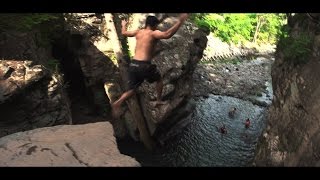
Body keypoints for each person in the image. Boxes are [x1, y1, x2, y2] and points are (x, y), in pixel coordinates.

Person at [111, 13, 189, 118]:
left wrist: (124, 24)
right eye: (156, 25)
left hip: (133, 65)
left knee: (132, 90)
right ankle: (158, 101)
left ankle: (118, 102)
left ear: (146, 24)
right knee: (159, 80)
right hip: (144, 65)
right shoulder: (153, 33)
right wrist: (180, 22)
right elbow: (167, 34)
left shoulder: (138, 32)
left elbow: (124, 32)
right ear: (154, 25)